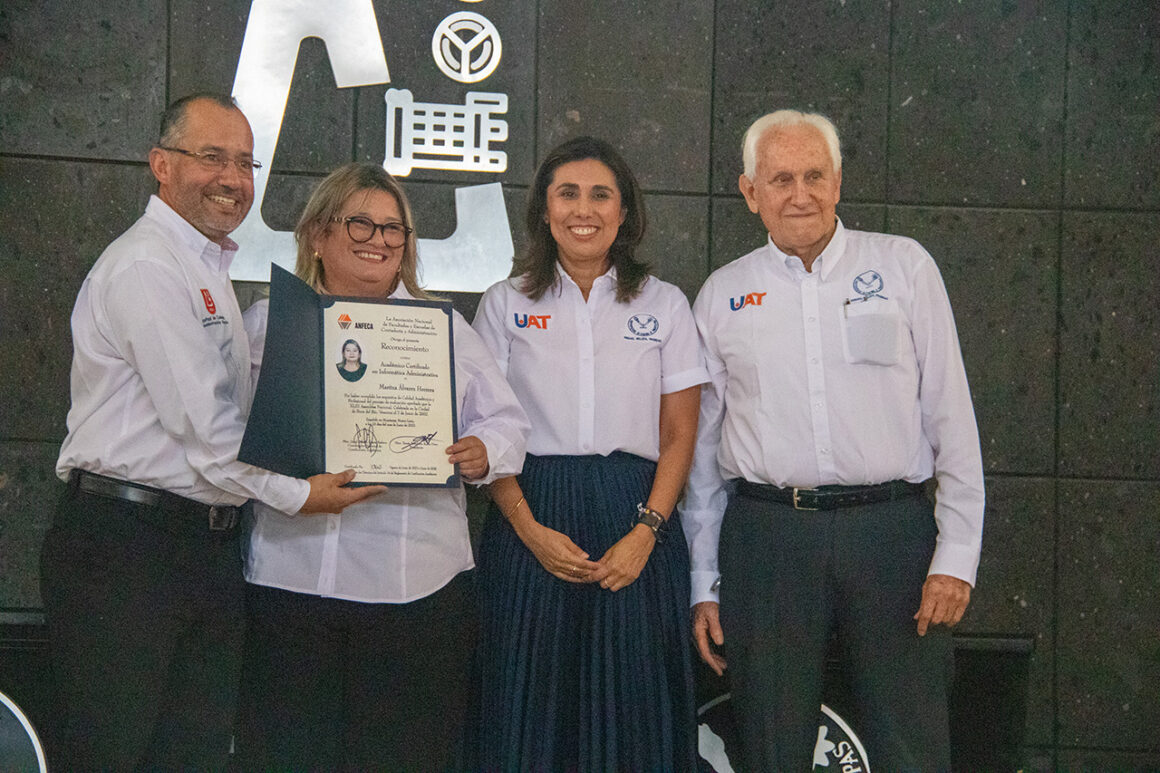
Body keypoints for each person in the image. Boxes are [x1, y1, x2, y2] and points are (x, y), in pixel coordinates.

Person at [40, 93, 382, 771]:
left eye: (244, 161)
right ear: (160, 164)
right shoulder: (148, 267)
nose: (232, 177)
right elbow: (210, 432)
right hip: (127, 550)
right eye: (211, 156)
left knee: (187, 755)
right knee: (110, 751)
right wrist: (301, 492)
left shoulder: (203, 267)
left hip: (198, 548)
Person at [684, 109, 985, 770]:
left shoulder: (903, 267)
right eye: (781, 177)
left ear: (839, 182)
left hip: (892, 536)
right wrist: (704, 579)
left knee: (912, 738)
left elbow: (951, 417)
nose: (801, 193)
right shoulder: (723, 294)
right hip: (767, 538)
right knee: (769, 740)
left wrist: (956, 553)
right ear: (749, 191)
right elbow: (702, 463)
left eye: (814, 174)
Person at [238, 162, 529, 771]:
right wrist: (291, 489)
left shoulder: (443, 327)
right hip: (291, 582)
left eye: (394, 229)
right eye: (361, 224)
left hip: (415, 591)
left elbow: (507, 424)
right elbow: (229, 437)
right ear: (318, 234)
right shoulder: (269, 323)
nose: (379, 240)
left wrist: (482, 453)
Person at [472, 136, 708, 771]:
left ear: (624, 212)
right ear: (544, 211)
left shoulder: (664, 304)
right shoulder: (504, 303)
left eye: (601, 194)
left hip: (637, 516)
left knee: (634, 707)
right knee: (526, 704)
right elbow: (487, 426)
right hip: (531, 511)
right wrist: (528, 530)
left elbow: (680, 435)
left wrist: (648, 532)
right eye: (567, 193)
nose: (585, 209)